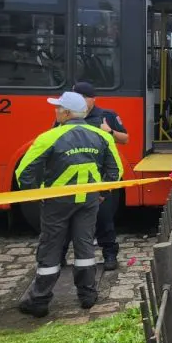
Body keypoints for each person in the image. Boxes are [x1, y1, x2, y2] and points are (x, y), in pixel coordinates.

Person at [16, 91, 123, 317]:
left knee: (51, 247)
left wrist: (34, 195)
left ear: (66, 113)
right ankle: (87, 295)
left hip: (56, 203)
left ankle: (39, 300)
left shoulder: (49, 137)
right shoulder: (102, 137)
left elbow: (24, 171)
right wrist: (102, 192)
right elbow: (116, 170)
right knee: (85, 246)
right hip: (88, 201)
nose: (55, 111)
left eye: (58, 108)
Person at [59, 82, 128, 271]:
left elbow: (125, 139)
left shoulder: (107, 116)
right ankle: (59, 255)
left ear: (93, 99)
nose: (80, 101)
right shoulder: (65, 117)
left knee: (105, 220)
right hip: (71, 182)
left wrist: (110, 132)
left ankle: (110, 255)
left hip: (100, 181)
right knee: (65, 223)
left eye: (83, 97)